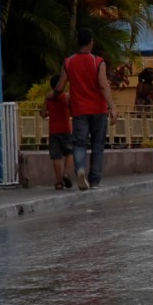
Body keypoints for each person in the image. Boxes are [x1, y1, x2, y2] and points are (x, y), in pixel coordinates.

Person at [61, 28, 114, 190]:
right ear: (91, 42)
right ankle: (95, 180)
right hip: (98, 110)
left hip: (79, 111)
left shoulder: (68, 62)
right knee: (98, 145)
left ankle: (81, 170)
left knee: (80, 144)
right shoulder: (98, 62)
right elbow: (103, 85)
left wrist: (54, 94)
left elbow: (61, 85)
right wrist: (113, 107)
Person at [41, 73, 73, 189]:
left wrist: (45, 102)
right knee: (69, 153)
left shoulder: (49, 98)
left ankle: (59, 182)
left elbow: (43, 114)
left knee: (56, 157)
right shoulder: (66, 97)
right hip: (65, 129)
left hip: (53, 131)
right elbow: (73, 111)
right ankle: (66, 173)